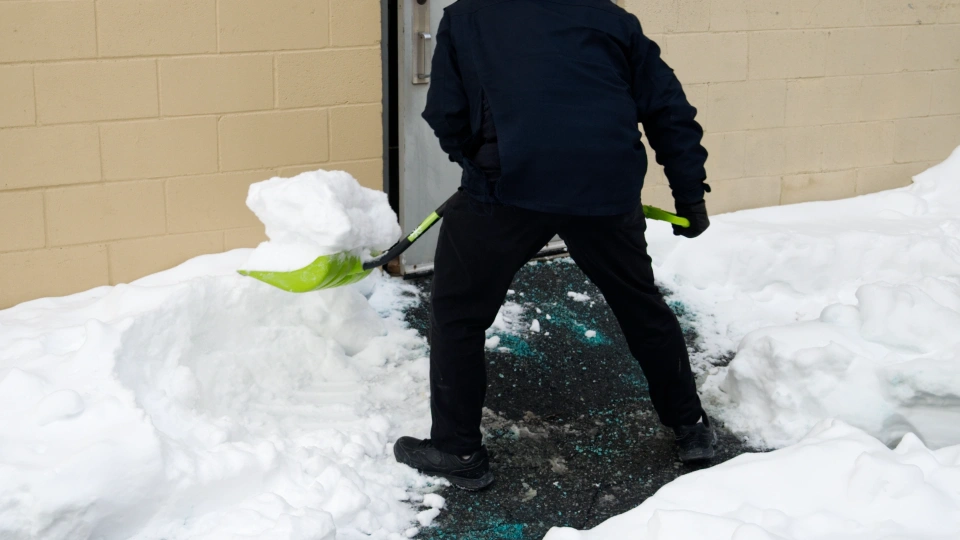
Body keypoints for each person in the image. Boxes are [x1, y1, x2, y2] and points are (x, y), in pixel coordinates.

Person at [394, 0, 714, 491]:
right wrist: (690, 196)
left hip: (506, 189)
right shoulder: (611, 18)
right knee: (640, 305)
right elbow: (668, 109)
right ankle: (690, 427)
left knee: (458, 313)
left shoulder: (467, 15)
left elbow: (446, 113)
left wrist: (479, 167)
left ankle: (458, 451)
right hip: (605, 189)